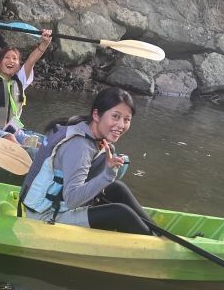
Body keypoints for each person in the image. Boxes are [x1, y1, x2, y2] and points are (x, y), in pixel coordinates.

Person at [19, 87, 153, 235]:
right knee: (120, 214)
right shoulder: (80, 146)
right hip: (45, 215)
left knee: (117, 188)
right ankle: (152, 243)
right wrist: (108, 175)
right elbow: (72, 200)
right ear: (96, 115)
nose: (121, 125)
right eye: (115, 116)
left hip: (58, 206)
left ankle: (153, 234)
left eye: (127, 119)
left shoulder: (87, 130)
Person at [0, 28, 53, 146]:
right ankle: (21, 153)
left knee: (35, 143)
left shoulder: (19, 82)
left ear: (18, 65)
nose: (11, 61)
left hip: (10, 129)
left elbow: (31, 61)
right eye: (7, 57)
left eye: (15, 59)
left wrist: (44, 43)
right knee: (9, 137)